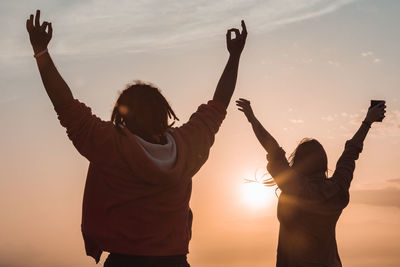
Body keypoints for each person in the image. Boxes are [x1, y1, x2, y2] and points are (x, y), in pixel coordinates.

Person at [26, 9, 247, 266]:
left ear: (123, 117)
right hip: (175, 261)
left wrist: (41, 52)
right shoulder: (188, 145)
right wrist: (234, 57)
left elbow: (65, 105)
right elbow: (219, 104)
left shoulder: (111, 145)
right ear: (165, 113)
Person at [236, 98, 386, 267]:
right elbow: (351, 151)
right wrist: (367, 122)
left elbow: (273, 149)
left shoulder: (295, 188)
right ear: (324, 163)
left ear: (299, 163)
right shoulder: (337, 189)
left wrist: (252, 119)